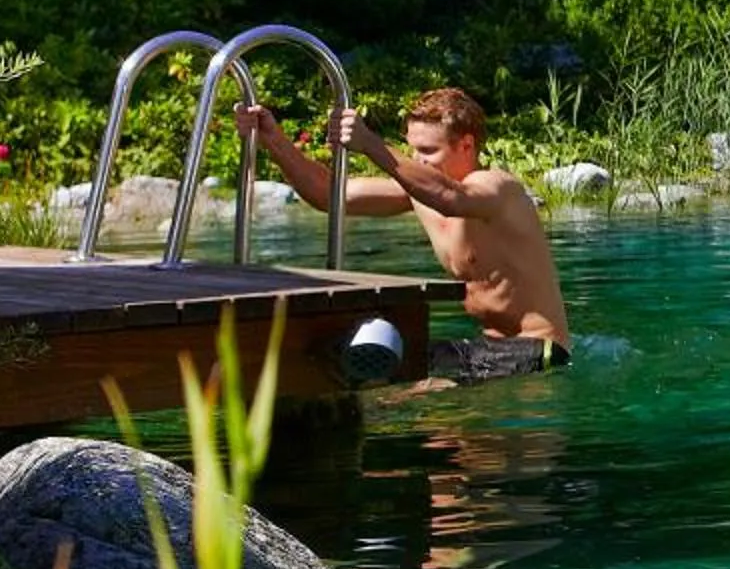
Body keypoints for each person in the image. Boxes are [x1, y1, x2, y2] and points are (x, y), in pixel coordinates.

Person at [238, 87, 571, 381]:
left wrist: (371, 144)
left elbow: (450, 198)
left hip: (537, 349)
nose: (417, 161)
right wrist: (273, 140)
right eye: (412, 150)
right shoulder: (420, 193)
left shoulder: (496, 187)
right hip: (487, 346)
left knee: (407, 393)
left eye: (428, 152)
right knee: (362, 372)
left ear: (466, 145)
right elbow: (327, 194)